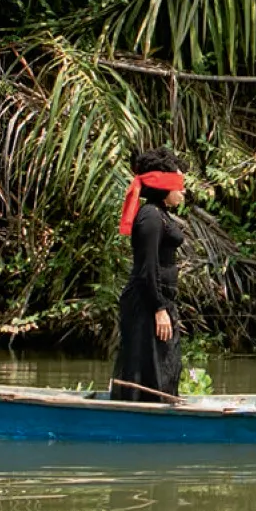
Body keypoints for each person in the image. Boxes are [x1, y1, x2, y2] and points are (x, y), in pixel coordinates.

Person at [109, 149, 187, 403]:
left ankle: (158, 413)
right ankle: (141, 416)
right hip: (147, 302)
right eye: (179, 184)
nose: (183, 191)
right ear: (164, 185)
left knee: (165, 362)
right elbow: (146, 268)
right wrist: (158, 308)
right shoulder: (150, 216)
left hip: (157, 299)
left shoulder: (160, 213)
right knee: (150, 364)